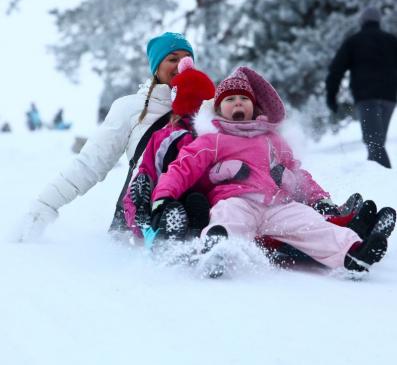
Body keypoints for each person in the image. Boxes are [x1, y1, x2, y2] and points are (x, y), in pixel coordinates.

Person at [151, 67, 389, 273]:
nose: (238, 103)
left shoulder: (272, 139)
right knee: (228, 218)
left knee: (311, 223)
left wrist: (318, 198)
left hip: (278, 205)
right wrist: (163, 198)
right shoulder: (213, 139)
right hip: (237, 201)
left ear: (254, 108)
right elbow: (183, 167)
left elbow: (298, 173)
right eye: (230, 100)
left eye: (244, 100)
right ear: (219, 109)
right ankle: (216, 250)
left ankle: (353, 251)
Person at [14, 32, 195, 242]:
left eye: (186, 59)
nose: (181, 65)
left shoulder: (209, 109)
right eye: (172, 59)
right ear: (156, 67)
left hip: (197, 214)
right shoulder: (130, 108)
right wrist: (45, 206)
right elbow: (90, 164)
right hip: (141, 219)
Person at [123, 56, 215, 244]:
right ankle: (185, 232)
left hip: (166, 198)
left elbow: (146, 172)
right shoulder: (216, 138)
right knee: (194, 201)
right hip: (193, 202)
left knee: (171, 199)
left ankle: (154, 229)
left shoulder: (165, 136)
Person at [326, 6, 397, 169]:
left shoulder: (353, 41)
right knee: (376, 143)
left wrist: (331, 96)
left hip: (366, 98)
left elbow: (336, 70)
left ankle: (386, 183)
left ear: (362, 21)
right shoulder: (392, 40)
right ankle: (377, 182)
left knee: (375, 144)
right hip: (389, 99)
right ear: (378, 21)